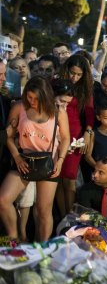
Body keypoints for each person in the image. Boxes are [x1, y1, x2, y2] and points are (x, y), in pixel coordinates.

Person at [0, 76, 70, 241]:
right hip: (23, 159)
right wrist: (16, 157)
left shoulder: (58, 112)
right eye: (29, 97)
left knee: (43, 210)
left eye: (36, 99)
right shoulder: (19, 107)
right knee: (3, 200)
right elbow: (9, 135)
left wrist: (60, 160)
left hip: (49, 162)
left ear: (45, 96)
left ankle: (43, 250)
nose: (32, 102)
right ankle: (14, 239)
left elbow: (66, 138)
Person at [57, 54, 95, 218]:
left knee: (70, 178)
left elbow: (90, 114)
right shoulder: (55, 84)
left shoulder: (85, 88)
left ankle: (71, 218)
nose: (75, 77)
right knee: (57, 179)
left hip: (75, 136)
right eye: (72, 73)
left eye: (79, 74)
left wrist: (87, 132)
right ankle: (63, 218)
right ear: (67, 70)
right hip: (56, 134)